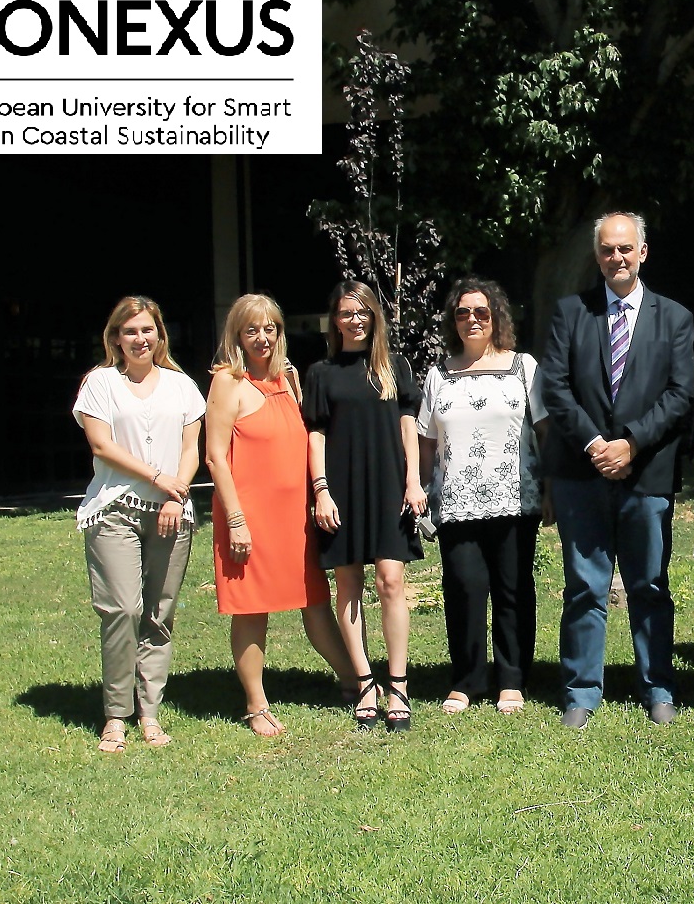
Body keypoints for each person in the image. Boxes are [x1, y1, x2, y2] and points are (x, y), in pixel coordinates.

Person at [539, 211, 694, 729]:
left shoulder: (674, 318)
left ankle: (657, 687)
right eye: (607, 249)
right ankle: (581, 691)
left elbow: (679, 394)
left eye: (625, 248)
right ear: (597, 256)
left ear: (642, 252)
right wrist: (595, 444)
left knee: (649, 584)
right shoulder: (571, 312)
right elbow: (555, 388)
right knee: (585, 586)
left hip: (646, 473)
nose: (617, 257)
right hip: (581, 473)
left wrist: (630, 443)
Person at [204, 294, 359, 737]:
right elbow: (215, 457)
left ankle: (355, 682)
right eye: (251, 330)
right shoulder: (227, 382)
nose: (262, 338)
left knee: (315, 601)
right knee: (252, 609)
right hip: (248, 518)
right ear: (237, 335)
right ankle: (256, 704)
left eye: (270, 328)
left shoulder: (287, 379)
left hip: (293, 517)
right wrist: (236, 520)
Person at [72, 296, 205, 753]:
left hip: (171, 512)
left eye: (147, 330)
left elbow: (190, 451)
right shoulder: (100, 384)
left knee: (158, 614)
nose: (140, 338)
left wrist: (174, 494)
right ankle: (116, 715)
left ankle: (149, 713)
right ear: (115, 338)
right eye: (130, 331)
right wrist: (156, 478)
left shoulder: (182, 386)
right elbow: (102, 446)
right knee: (122, 610)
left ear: (159, 335)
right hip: (115, 509)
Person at [417, 277, 545, 717]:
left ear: (496, 317)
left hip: (515, 499)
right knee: (464, 590)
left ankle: (512, 680)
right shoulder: (438, 374)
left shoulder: (524, 366)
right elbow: (426, 441)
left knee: (513, 589)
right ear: (453, 320)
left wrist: (550, 488)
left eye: (481, 312)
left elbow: (545, 430)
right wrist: (421, 488)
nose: (472, 319)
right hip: (456, 503)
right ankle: (467, 680)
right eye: (462, 312)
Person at [303, 281, 427, 732]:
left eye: (361, 312)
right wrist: (320, 490)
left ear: (374, 316)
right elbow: (315, 434)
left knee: (391, 580)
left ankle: (398, 685)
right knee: (348, 584)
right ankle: (364, 683)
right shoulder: (321, 373)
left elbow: (409, 425)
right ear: (334, 321)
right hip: (341, 489)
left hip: (390, 486)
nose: (354, 320)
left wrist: (413, 481)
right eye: (345, 313)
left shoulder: (395, 366)